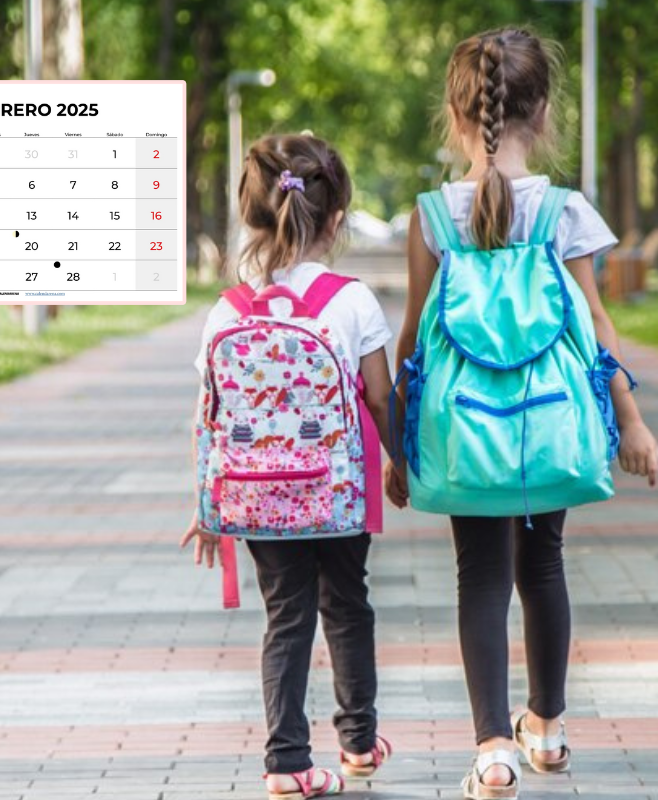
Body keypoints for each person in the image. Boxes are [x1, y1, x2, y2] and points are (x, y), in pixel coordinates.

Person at [385, 28, 658, 800]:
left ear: (455, 111)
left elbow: (413, 339)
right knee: (542, 566)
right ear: (542, 112)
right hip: (549, 424)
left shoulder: (432, 216)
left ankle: (492, 747)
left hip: (461, 427)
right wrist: (632, 422)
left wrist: (397, 444)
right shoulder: (564, 212)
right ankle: (547, 724)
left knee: (479, 575)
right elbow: (597, 326)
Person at [183, 134, 395, 800]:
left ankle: (287, 762)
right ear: (335, 221)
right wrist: (402, 464)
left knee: (286, 618)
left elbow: (207, 418)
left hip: (256, 498)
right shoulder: (352, 300)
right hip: (337, 494)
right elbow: (381, 396)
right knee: (349, 605)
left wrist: (206, 507)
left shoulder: (227, 311)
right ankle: (358, 742)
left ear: (250, 217)